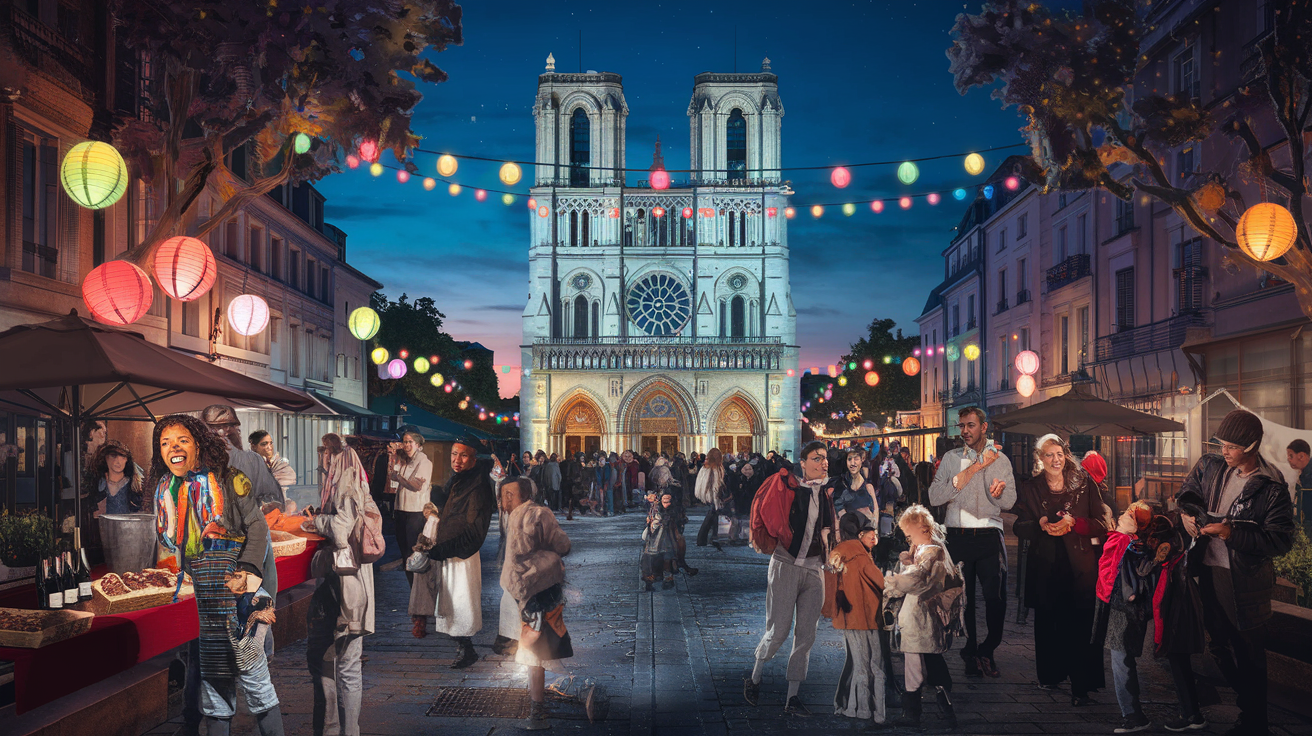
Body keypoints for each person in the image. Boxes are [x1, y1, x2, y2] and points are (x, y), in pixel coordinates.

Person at [150, 414, 283, 736]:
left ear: (198, 443)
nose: (173, 448)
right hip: (206, 602)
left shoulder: (229, 479)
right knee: (214, 688)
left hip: (241, 597)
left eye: (181, 440)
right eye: (165, 443)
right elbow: (172, 548)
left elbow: (257, 526)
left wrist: (248, 571)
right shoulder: (165, 489)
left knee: (255, 682)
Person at [1176, 409, 1294, 736]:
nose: (1224, 451)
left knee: (1250, 654)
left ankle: (1254, 721)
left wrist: (1230, 534)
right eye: (1222, 444)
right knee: (1217, 647)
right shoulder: (1210, 465)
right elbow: (1187, 495)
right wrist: (1187, 515)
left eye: (1231, 446)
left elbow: (1281, 540)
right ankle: (1249, 706)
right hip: (1207, 571)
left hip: (1244, 581)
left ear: (1252, 445)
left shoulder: (1271, 486)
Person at [1012, 434, 1107, 706]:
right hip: (1047, 563)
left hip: (1080, 564)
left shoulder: (1083, 482)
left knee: (1080, 624)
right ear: (1040, 459)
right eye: (1049, 455)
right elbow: (1020, 526)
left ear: (1066, 455)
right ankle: (1050, 675)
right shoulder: (1031, 488)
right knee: (1048, 622)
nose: (1056, 459)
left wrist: (1075, 523)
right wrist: (1039, 523)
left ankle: (1081, 686)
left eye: (1060, 454)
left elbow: (1101, 521)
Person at [744, 440, 836, 717]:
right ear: (804, 462)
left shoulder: (826, 493)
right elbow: (771, 514)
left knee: (806, 635)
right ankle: (755, 677)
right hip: (785, 564)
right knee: (779, 629)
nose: (824, 462)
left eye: (825, 458)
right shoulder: (791, 487)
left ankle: (792, 698)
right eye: (817, 458)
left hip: (814, 569)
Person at [927, 406, 1016, 679]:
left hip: (989, 535)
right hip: (959, 536)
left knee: (995, 598)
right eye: (962, 425)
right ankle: (970, 650)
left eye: (970, 425)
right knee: (963, 600)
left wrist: (998, 495)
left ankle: (988, 648)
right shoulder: (951, 458)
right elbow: (934, 496)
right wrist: (967, 475)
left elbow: (1010, 501)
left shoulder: (1001, 459)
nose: (964, 431)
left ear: (984, 426)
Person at [301, 434, 373, 736]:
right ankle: (346, 730)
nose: (322, 460)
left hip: (344, 587)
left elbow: (341, 530)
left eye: (326, 455)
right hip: (350, 585)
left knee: (336, 662)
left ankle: (334, 729)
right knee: (345, 664)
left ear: (336, 459)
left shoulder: (346, 488)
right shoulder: (349, 485)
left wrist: (316, 523)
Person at [500, 477, 573, 730]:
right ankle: (537, 709)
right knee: (537, 647)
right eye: (503, 494)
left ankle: (536, 704)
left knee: (531, 646)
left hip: (514, 588)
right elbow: (562, 544)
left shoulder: (511, 516)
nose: (505, 500)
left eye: (509, 494)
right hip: (538, 588)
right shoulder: (539, 513)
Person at [425, 436, 504, 668]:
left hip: (462, 554)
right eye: (454, 454)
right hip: (449, 550)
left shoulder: (478, 485)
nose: (456, 460)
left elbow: (475, 529)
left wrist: (446, 549)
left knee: (461, 602)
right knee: (450, 601)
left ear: (473, 458)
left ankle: (466, 648)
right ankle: (463, 647)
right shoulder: (459, 479)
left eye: (463, 455)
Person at [885, 504, 959, 730]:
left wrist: (890, 582)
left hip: (922, 620)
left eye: (910, 535)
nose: (908, 540)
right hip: (919, 620)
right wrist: (909, 562)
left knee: (920, 665)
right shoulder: (928, 551)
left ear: (922, 529)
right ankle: (932, 712)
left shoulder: (931, 552)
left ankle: (917, 713)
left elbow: (916, 580)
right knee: (924, 664)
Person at [1091, 501, 1160, 734]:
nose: (1123, 515)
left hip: (1124, 609)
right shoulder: (1128, 541)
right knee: (1121, 660)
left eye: (1129, 513)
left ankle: (1133, 715)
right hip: (1119, 606)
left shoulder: (1130, 543)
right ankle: (1132, 713)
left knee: (1121, 661)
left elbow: (1113, 557)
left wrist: (1121, 533)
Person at [827, 512, 887, 728]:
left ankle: (851, 707)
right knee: (874, 666)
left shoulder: (837, 554)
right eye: (870, 533)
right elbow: (882, 583)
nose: (874, 538)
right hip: (869, 618)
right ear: (860, 533)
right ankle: (873, 711)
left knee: (856, 663)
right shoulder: (861, 557)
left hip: (848, 620)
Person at [201, 406, 285, 508]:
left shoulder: (253, 460)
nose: (222, 432)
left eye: (227, 426)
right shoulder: (197, 462)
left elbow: (274, 499)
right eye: (216, 427)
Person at [388, 431, 433, 590]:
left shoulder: (424, 462)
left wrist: (398, 477)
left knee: (414, 551)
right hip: (401, 510)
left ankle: (420, 587)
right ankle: (413, 588)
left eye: (409, 442)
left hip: (415, 512)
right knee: (405, 553)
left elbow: (416, 485)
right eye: (404, 442)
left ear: (418, 445)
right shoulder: (405, 462)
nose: (406, 445)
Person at [88, 439, 143, 517]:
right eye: (114, 456)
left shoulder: (132, 486)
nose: (118, 461)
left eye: (123, 457)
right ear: (106, 458)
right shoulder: (99, 484)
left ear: (127, 459)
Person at [641, 491, 681, 590]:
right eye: (664, 501)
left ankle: (668, 579)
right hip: (655, 538)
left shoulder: (674, 511)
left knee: (668, 558)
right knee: (651, 558)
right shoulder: (656, 510)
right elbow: (652, 522)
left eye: (668, 501)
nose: (667, 504)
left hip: (668, 539)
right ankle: (650, 580)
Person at [833, 447, 878, 525]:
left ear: (862, 460)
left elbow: (875, 511)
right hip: (850, 530)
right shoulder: (841, 485)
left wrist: (875, 529)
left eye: (856, 459)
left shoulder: (868, 487)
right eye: (849, 459)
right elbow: (839, 511)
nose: (853, 463)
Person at [695, 447, 728, 548]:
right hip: (714, 496)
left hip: (709, 496)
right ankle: (704, 538)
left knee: (713, 516)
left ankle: (710, 537)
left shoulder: (705, 467)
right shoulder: (716, 468)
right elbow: (715, 485)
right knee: (712, 515)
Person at [249, 430, 297, 494]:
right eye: (264, 444)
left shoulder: (281, 464)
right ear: (253, 447)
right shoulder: (248, 463)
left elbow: (286, 483)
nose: (269, 447)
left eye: (271, 443)